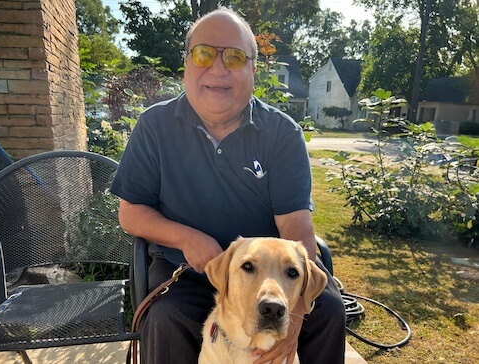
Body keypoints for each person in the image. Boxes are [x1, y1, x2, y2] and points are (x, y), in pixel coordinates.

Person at [110, 7, 346, 364]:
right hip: (188, 269)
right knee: (166, 317)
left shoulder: (281, 134)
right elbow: (131, 214)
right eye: (204, 54)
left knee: (327, 311)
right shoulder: (154, 127)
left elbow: (296, 226)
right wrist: (188, 238)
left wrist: (297, 307)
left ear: (253, 68)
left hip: (268, 272)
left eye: (234, 57)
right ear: (186, 63)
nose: (218, 69)